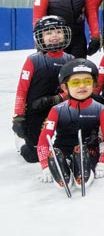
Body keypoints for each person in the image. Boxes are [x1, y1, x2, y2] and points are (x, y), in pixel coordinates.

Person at [36, 59, 104, 187]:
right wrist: (45, 165)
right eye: (75, 82)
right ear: (64, 87)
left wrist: (103, 162)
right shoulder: (57, 110)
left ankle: (81, 167)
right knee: (61, 162)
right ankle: (61, 164)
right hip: (63, 150)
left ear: (94, 85)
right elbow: (44, 141)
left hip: (89, 152)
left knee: (83, 159)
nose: (82, 86)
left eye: (87, 81)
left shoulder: (101, 109)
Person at [12, 16, 74, 164]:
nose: (54, 36)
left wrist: (58, 98)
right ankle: (23, 141)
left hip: (61, 109)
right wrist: (19, 117)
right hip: (36, 111)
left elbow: (75, 89)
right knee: (34, 156)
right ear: (40, 37)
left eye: (59, 32)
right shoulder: (33, 60)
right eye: (48, 33)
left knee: (65, 149)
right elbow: (22, 90)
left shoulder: (70, 59)